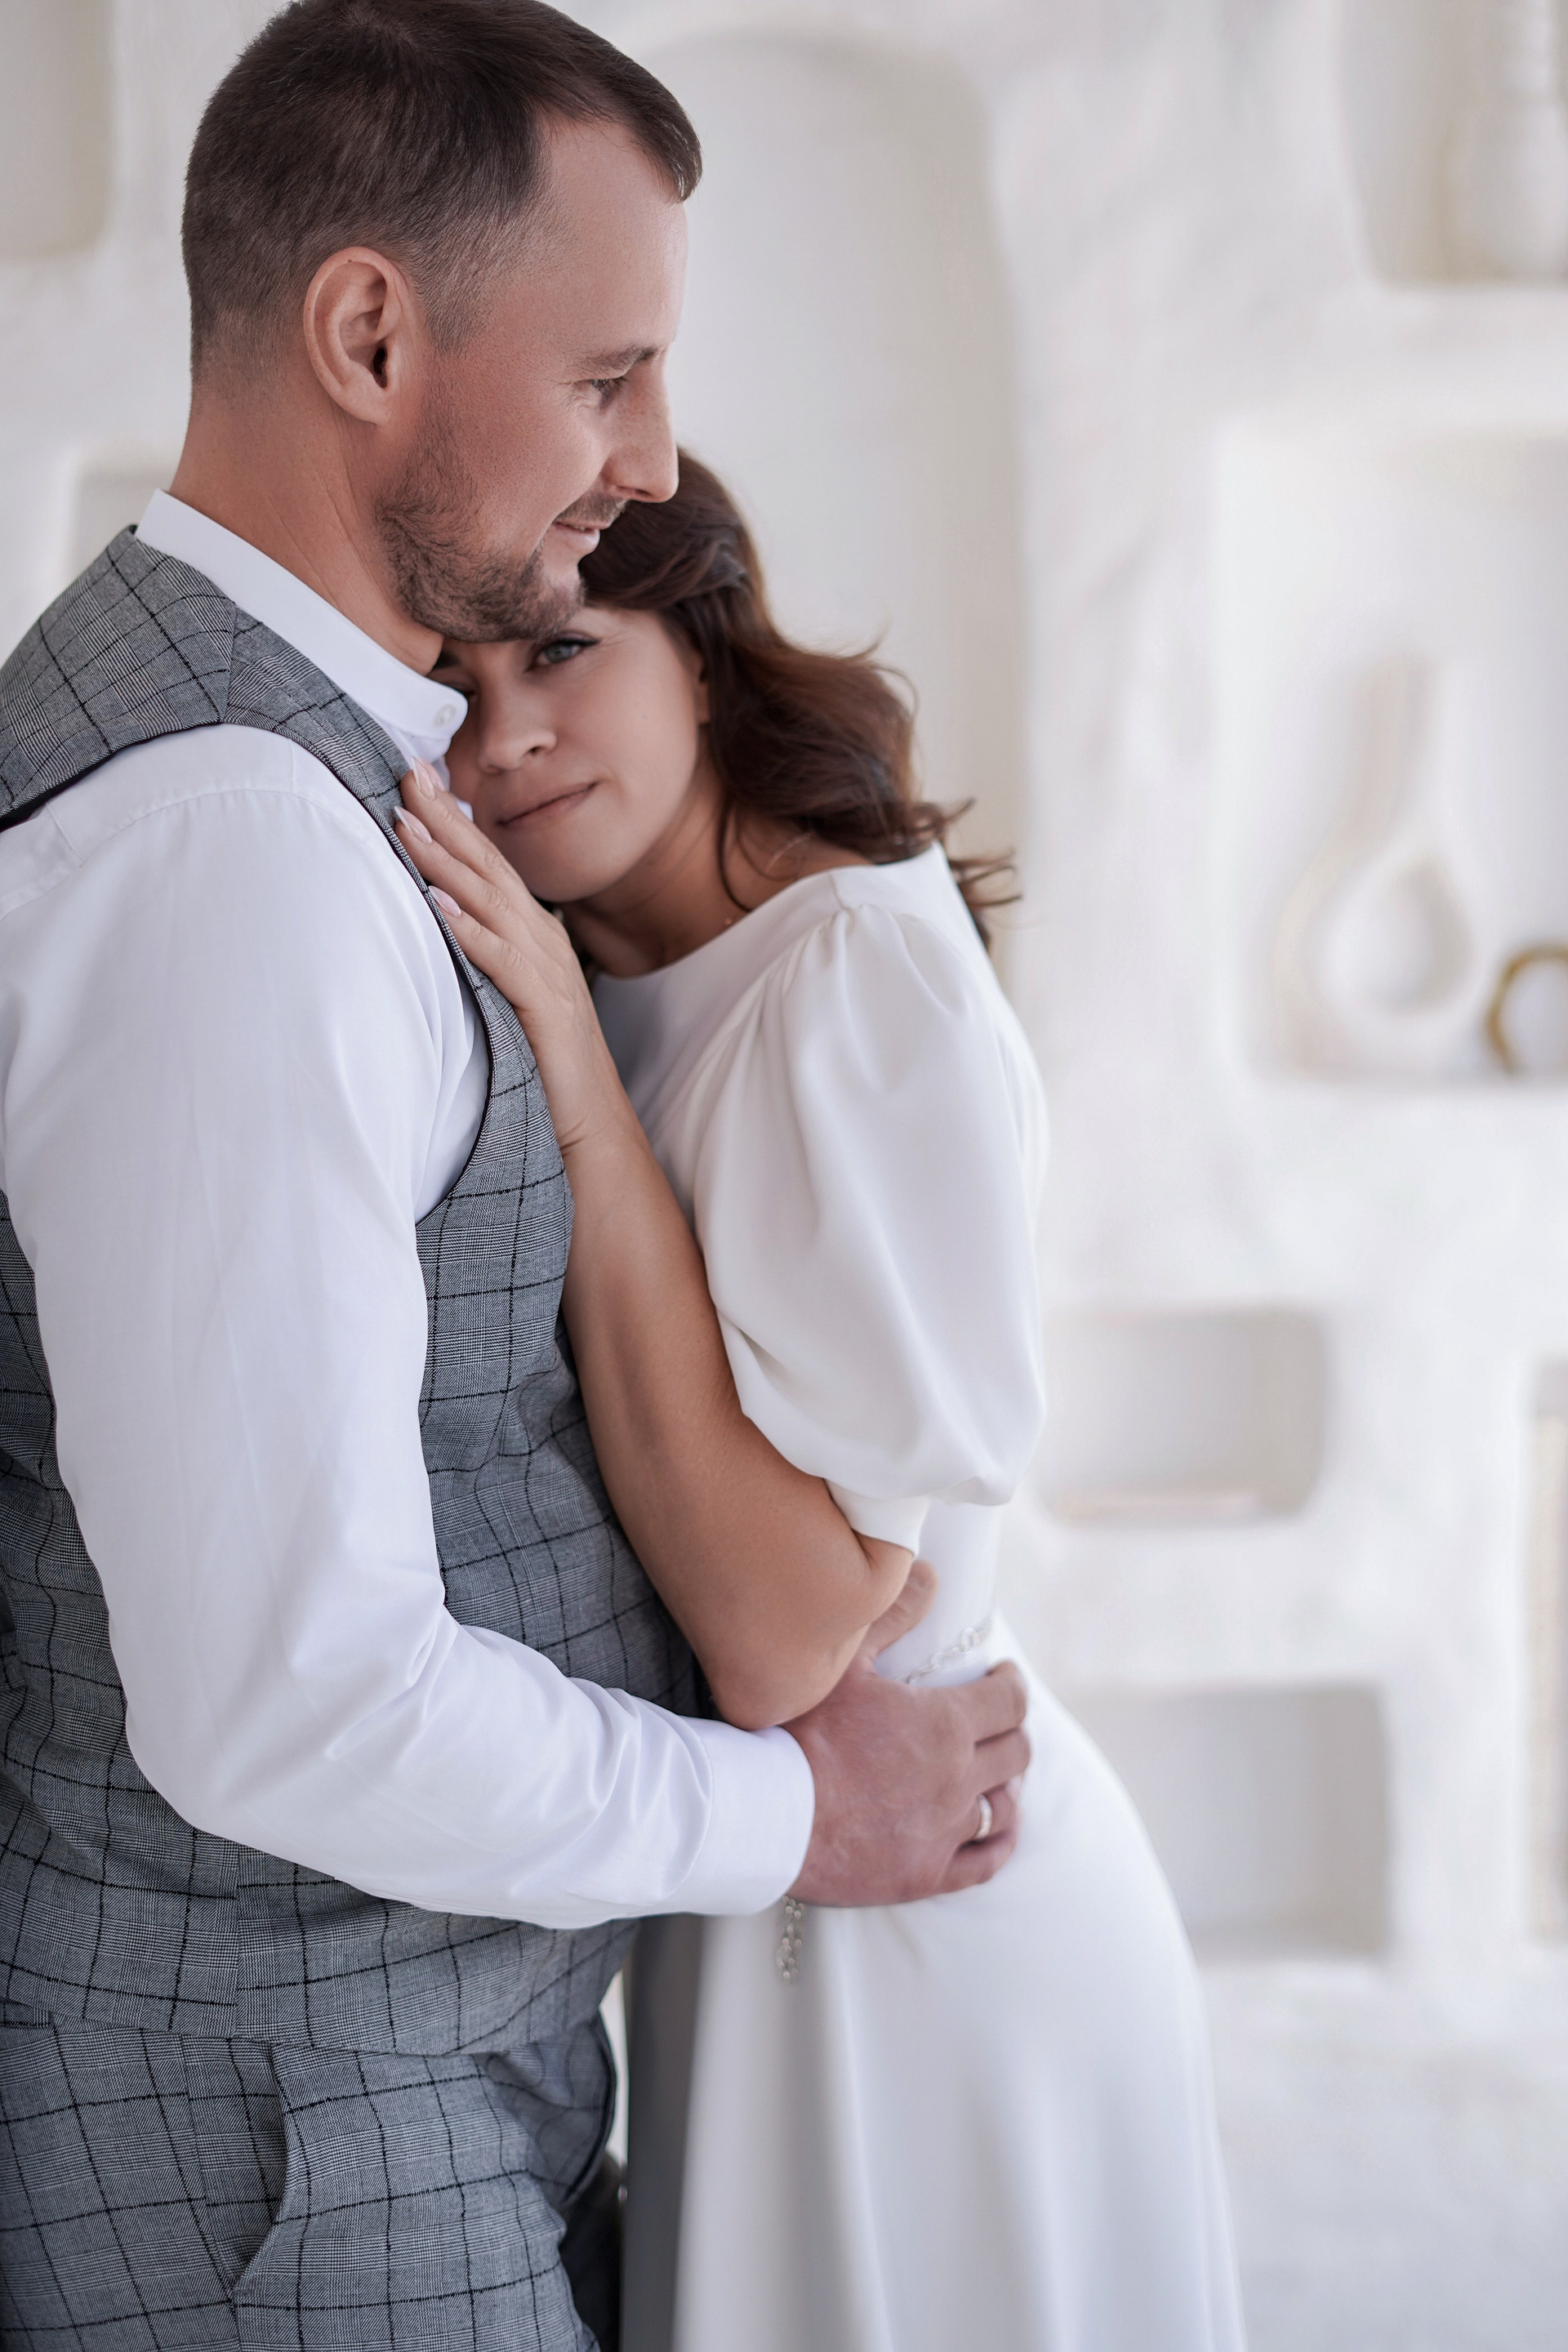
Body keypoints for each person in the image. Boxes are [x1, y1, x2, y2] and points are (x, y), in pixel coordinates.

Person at [0, 7, 1029, 2347]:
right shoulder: (234, 848)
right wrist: (803, 1817)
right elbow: (293, 1699)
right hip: (287, 2159)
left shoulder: (320, 781)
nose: (649, 461)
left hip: (374, 2104)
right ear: (369, 334)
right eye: (607, 378)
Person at [394, 452, 1250, 2352]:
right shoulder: (621, 967)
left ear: (703, 651)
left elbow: (791, 1639)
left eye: (560, 653)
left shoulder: (847, 973)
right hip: (773, 1890)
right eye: (452, 688)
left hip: (925, 1911)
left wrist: (578, 1085)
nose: (506, 738)